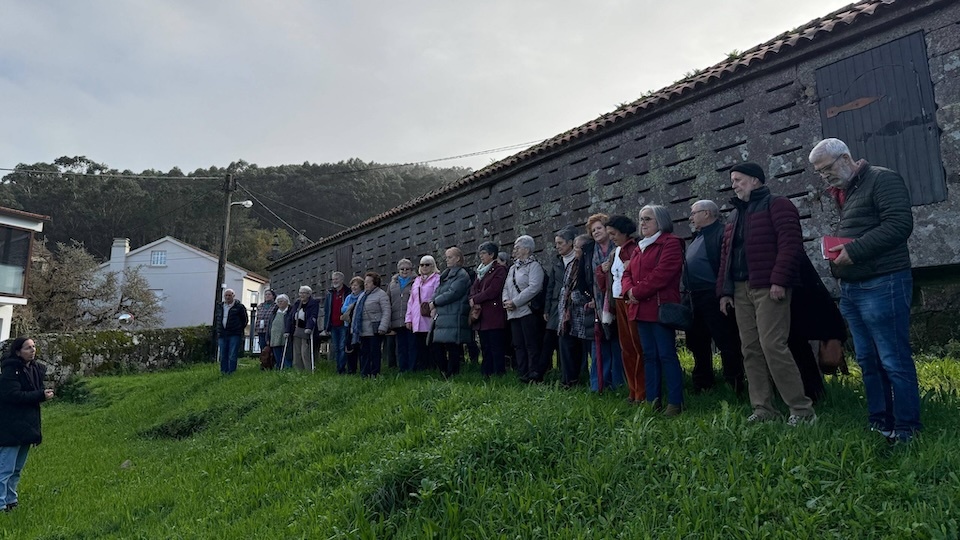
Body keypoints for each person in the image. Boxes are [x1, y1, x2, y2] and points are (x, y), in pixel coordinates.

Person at [810, 138, 920, 441]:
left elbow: (899, 224)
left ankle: (907, 429)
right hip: (854, 287)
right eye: (820, 173)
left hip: (884, 282)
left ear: (845, 158)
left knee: (893, 359)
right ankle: (880, 422)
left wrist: (854, 251)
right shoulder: (848, 190)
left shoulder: (882, 179)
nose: (825, 176)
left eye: (827, 169)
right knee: (868, 360)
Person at [717, 162, 815, 426]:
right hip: (740, 289)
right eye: (732, 181)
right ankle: (763, 410)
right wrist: (724, 292)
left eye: (738, 180)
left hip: (768, 286)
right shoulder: (734, 216)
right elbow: (726, 257)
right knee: (750, 349)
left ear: (755, 180)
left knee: (773, 345)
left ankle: (802, 410)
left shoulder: (778, 204)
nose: (734, 185)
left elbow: (790, 244)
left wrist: (779, 280)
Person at [624, 205, 685, 416]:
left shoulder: (671, 243)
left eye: (647, 219)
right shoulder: (639, 247)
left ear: (660, 221)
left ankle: (675, 402)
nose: (642, 223)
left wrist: (636, 292)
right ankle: (652, 400)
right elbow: (627, 273)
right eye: (641, 219)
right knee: (649, 356)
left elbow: (663, 274)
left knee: (666, 354)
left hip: (660, 308)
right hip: (641, 308)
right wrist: (628, 290)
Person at [683, 200, 745, 394]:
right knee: (697, 341)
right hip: (695, 297)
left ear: (707, 213)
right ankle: (703, 383)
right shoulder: (698, 236)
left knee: (725, 340)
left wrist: (724, 293)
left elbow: (725, 265)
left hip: (714, 295)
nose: (691, 218)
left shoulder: (721, 233)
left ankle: (733, 383)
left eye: (694, 213)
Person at [0, 337, 55, 512]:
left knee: (17, 468)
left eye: (33, 346)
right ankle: (0, 503)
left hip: (27, 424)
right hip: (10, 425)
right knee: (5, 468)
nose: (32, 350)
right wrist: (40, 395)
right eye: (27, 348)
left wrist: (42, 394)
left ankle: (11, 500)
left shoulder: (34, 369)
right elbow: (13, 395)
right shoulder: (10, 371)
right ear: (18, 352)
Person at [598, 215, 640, 399]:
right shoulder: (616, 252)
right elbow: (608, 280)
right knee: (626, 348)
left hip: (630, 301)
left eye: (614, 233)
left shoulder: (634, 249)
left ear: (624, 232)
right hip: (618, 302)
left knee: (636, 346)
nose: (611, 237)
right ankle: (633, 389)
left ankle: (641, 390)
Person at [503, 235, 545, 383]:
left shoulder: (534, 266)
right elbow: (506, 287)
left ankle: (534, 373)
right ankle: (523, 372)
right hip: (513, 312)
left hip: (527, 311)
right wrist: (506, 301)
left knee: (531, 343)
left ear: (527, 249)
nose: (514, 250)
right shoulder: (512, 268)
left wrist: (515, 302)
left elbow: (534, 287)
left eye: (517, 247)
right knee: (518, 344)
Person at [559, 234, 597, 388]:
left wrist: (577, 297)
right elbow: (565, 287)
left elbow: (590, 288)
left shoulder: (590, 263)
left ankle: (594, 381)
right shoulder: (572, 264)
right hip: (569, 314)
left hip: (586, 314)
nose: (574, 250)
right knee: (568, 346)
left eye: (577, 247)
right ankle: (569, 380)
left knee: (590, 349)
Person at [431, 247, 472, 377]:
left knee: (452, 345)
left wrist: (435, 302)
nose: (447, 260)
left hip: (455, 314)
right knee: (437, 344)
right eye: (446, 257)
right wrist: (433, 302)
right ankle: (445, 371)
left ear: (458, 258)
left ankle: (452, 373)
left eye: (450, 257)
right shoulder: (446, 275)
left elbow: (453, 293)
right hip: (444, 314)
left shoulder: (462, 275)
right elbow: (438, 291)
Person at [469, 242, 508, 377]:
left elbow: (493, 290)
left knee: (495, 345)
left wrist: (476, 299)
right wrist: (473, 299)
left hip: (493, 314)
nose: (481, 256)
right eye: (480, 253)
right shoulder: (480, 271)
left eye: (484, 253)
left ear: (492, 254)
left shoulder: (499, 270)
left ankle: (498, 373)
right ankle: (486, 372)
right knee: (485, 345)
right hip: (482, 314)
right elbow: (474, 288)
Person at [547, 227, 577, 385]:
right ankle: (564, 376)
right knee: (561, 341)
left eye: (560, 243)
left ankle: (577, 375)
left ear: (570, 242)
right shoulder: (557, 263)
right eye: (556, 243)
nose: (557, 246)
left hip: (574, 306)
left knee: (575, 343)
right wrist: (547, 308)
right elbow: (550, 287)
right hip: (557, 307)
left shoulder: (578, 260)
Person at [352, 272, 391, 377]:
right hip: (363, 330)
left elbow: (386, 311)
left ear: (375, 283)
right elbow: (356, 313)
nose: (365, 284)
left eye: (368, 282)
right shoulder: (362, 295)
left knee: (374, 353)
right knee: (364, 353)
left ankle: (375, 374)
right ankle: (364, 374)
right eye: (365, 282)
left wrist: (383, 326)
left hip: (375, 329)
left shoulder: (381, 294)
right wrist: (353, 329)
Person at [406, 256, 440, 371]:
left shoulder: (437, 279)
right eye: (422, 265)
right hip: (417, 317)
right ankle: (422, 368)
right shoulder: (416, 281)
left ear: (433, 265)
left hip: (429, 315)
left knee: (431, 343)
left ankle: (433, 367)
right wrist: (408, 318)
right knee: (419, 344)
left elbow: (436, 295)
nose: (424, 267)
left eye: (427, 264)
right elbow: (411, 301)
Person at [387, 260, 416, 372]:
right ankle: (403, 368)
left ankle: (412, 368)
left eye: (407, 269)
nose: (404, 271)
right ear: (398, 270)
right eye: (402, 269)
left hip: (411, 319)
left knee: (412, 345)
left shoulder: (415, 282)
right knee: (401, 346)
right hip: (396, 319)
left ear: (411, 270)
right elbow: (388, 300)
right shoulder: (392, 284)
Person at [214, 288, 248, 374]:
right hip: (222, 334)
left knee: (232, 354)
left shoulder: (239, 307)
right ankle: (224, 371)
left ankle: (231, 371)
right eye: (226, 295)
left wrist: (238, 328)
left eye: (229, 295)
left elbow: (244, 320)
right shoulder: (220, 306)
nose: (227, 297)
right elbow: (217, 318)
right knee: (223, 353)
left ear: (233, 296)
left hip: (234, 334)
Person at [323, 272, 350, 374]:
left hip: (343, 324)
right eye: (333, 279)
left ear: (342, 280)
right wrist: (326, 326)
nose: (334, 281)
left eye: (336, 279)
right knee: (336, 348)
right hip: (333, 325)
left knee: (342, 347)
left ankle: (342, 369)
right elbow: (327, 311)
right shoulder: (330, 294)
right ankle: (338, 368)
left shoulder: (347, 292)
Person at [288, 285, 320, 372]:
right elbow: (291, 315)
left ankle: (308, 370)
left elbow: (313, 316)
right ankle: (298, 370)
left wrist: (309, 327)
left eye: (304, 293)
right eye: (300, 293)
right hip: (297, 329)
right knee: (297, 352)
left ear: (309, 294)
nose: (301, 295)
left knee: (305, 352)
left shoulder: (313, 303)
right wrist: (288, 329)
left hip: (306, 330)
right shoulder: (297, 303)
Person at [340, 277, 364, 374]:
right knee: (349, 348)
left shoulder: (362, 296)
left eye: (356, 285)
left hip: (359, 326)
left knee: (359, 348)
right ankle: (351, 370)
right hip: (348, 325)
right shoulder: (349, 297)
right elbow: (342, 309)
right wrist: (352, 307)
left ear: (360, 287)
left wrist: (350, 307)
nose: (354, 287)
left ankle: (362, 369)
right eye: (352, 285)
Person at [266, 294, 291, 369]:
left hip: (285, 336)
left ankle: (287, 368)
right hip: (274, 337)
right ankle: (279, 367)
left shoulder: (290, 311)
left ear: (287, 302)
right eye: (278, 301)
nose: (280, 303)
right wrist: (268, 338)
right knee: (277, 354)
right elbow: (269, 325)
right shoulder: (274, 312)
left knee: (287, 354)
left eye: (282, 301)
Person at [254, 289, 276, 353]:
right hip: (261, 330)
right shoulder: (260, 306)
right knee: (263, 349)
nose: (267, 296)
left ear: (273, 296)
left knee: (270, 349)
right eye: (266, 294)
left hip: (270, 331)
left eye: (269, 294)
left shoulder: (275, 306)